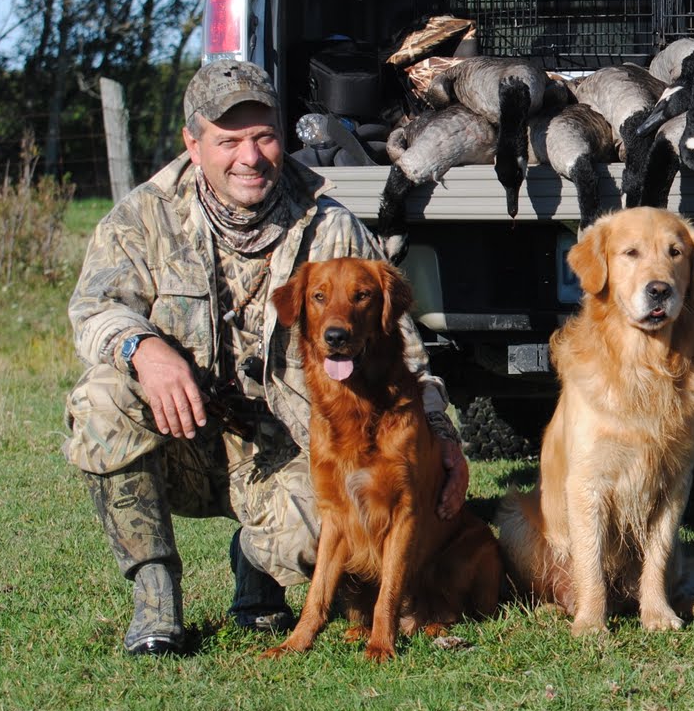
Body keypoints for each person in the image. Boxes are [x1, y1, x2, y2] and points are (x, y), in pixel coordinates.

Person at [65, 61, 469, 656]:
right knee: (101, 399)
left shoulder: (328, 224)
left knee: (337, 540)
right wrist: (143, 348)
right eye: (228, 140)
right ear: (194, 144)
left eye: (262, 136)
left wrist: (443, 437)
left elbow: (401, 345)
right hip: (184, 440)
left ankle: (256, 563)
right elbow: (92, 308)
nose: (248, 156)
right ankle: (156, 599)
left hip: (294, 453)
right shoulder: (144, 216)